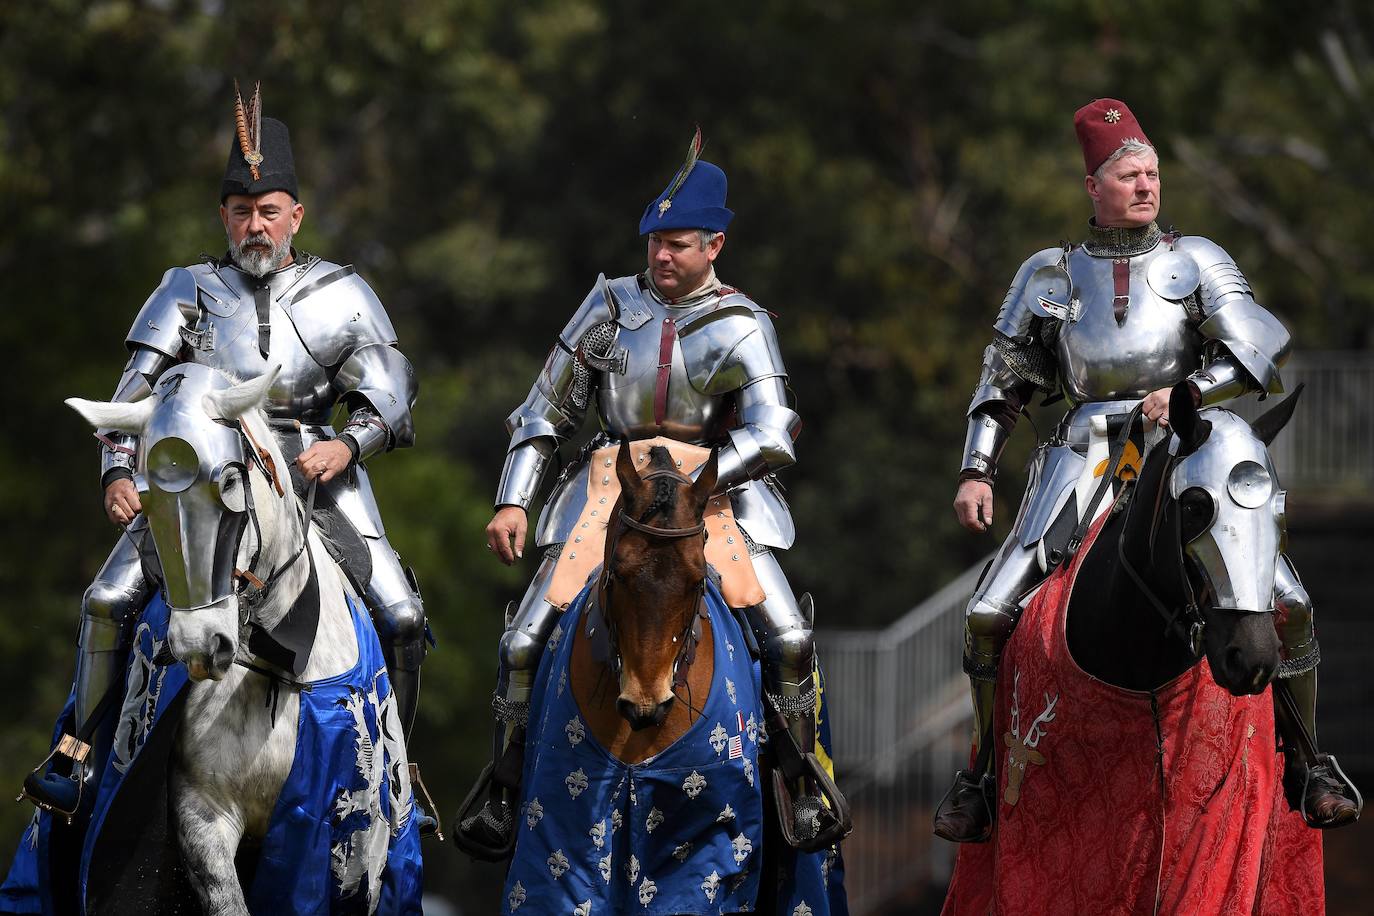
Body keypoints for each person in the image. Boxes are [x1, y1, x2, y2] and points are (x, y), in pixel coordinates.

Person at [933, 98, 1360, 842]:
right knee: (988, 612)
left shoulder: (1195, 258)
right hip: (1083, 448)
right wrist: (977, 471)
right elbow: (1002, 381)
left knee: (1287, 600)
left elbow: (1263, 347)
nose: (1146, 186)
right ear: (1093, 186)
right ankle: (980, 773)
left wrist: (1193, 392)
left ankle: (1309, 759)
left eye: (1153, 173)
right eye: (1129, 175)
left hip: (1190, 438)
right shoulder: (1047, 273)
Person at [22, 85, 427, 819]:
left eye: (269, 210)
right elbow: (132, 392)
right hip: (204, 473)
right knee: (107, 601)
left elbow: (392, 390)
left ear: (296, 215)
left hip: (313, 469)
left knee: (398, 614)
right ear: (224, 216)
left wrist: (348, 443)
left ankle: (395, 776)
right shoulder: (187, 289)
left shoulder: (343, 291)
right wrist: (117, 468)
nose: (255, 225)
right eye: (241, 211)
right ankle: (76, 759)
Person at [454, 131, 840, 857]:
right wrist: (513, 499)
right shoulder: (605, 306)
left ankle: (803, 784)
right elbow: (545, 409)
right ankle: (504, 787)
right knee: (520, 640)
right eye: (655, 241)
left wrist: (706, 478)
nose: (662, 256)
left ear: (715, 246)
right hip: (610, 484)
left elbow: (775, 430)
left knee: (787, 638)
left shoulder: (743, 322)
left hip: (713, 488)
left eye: (680, 244)